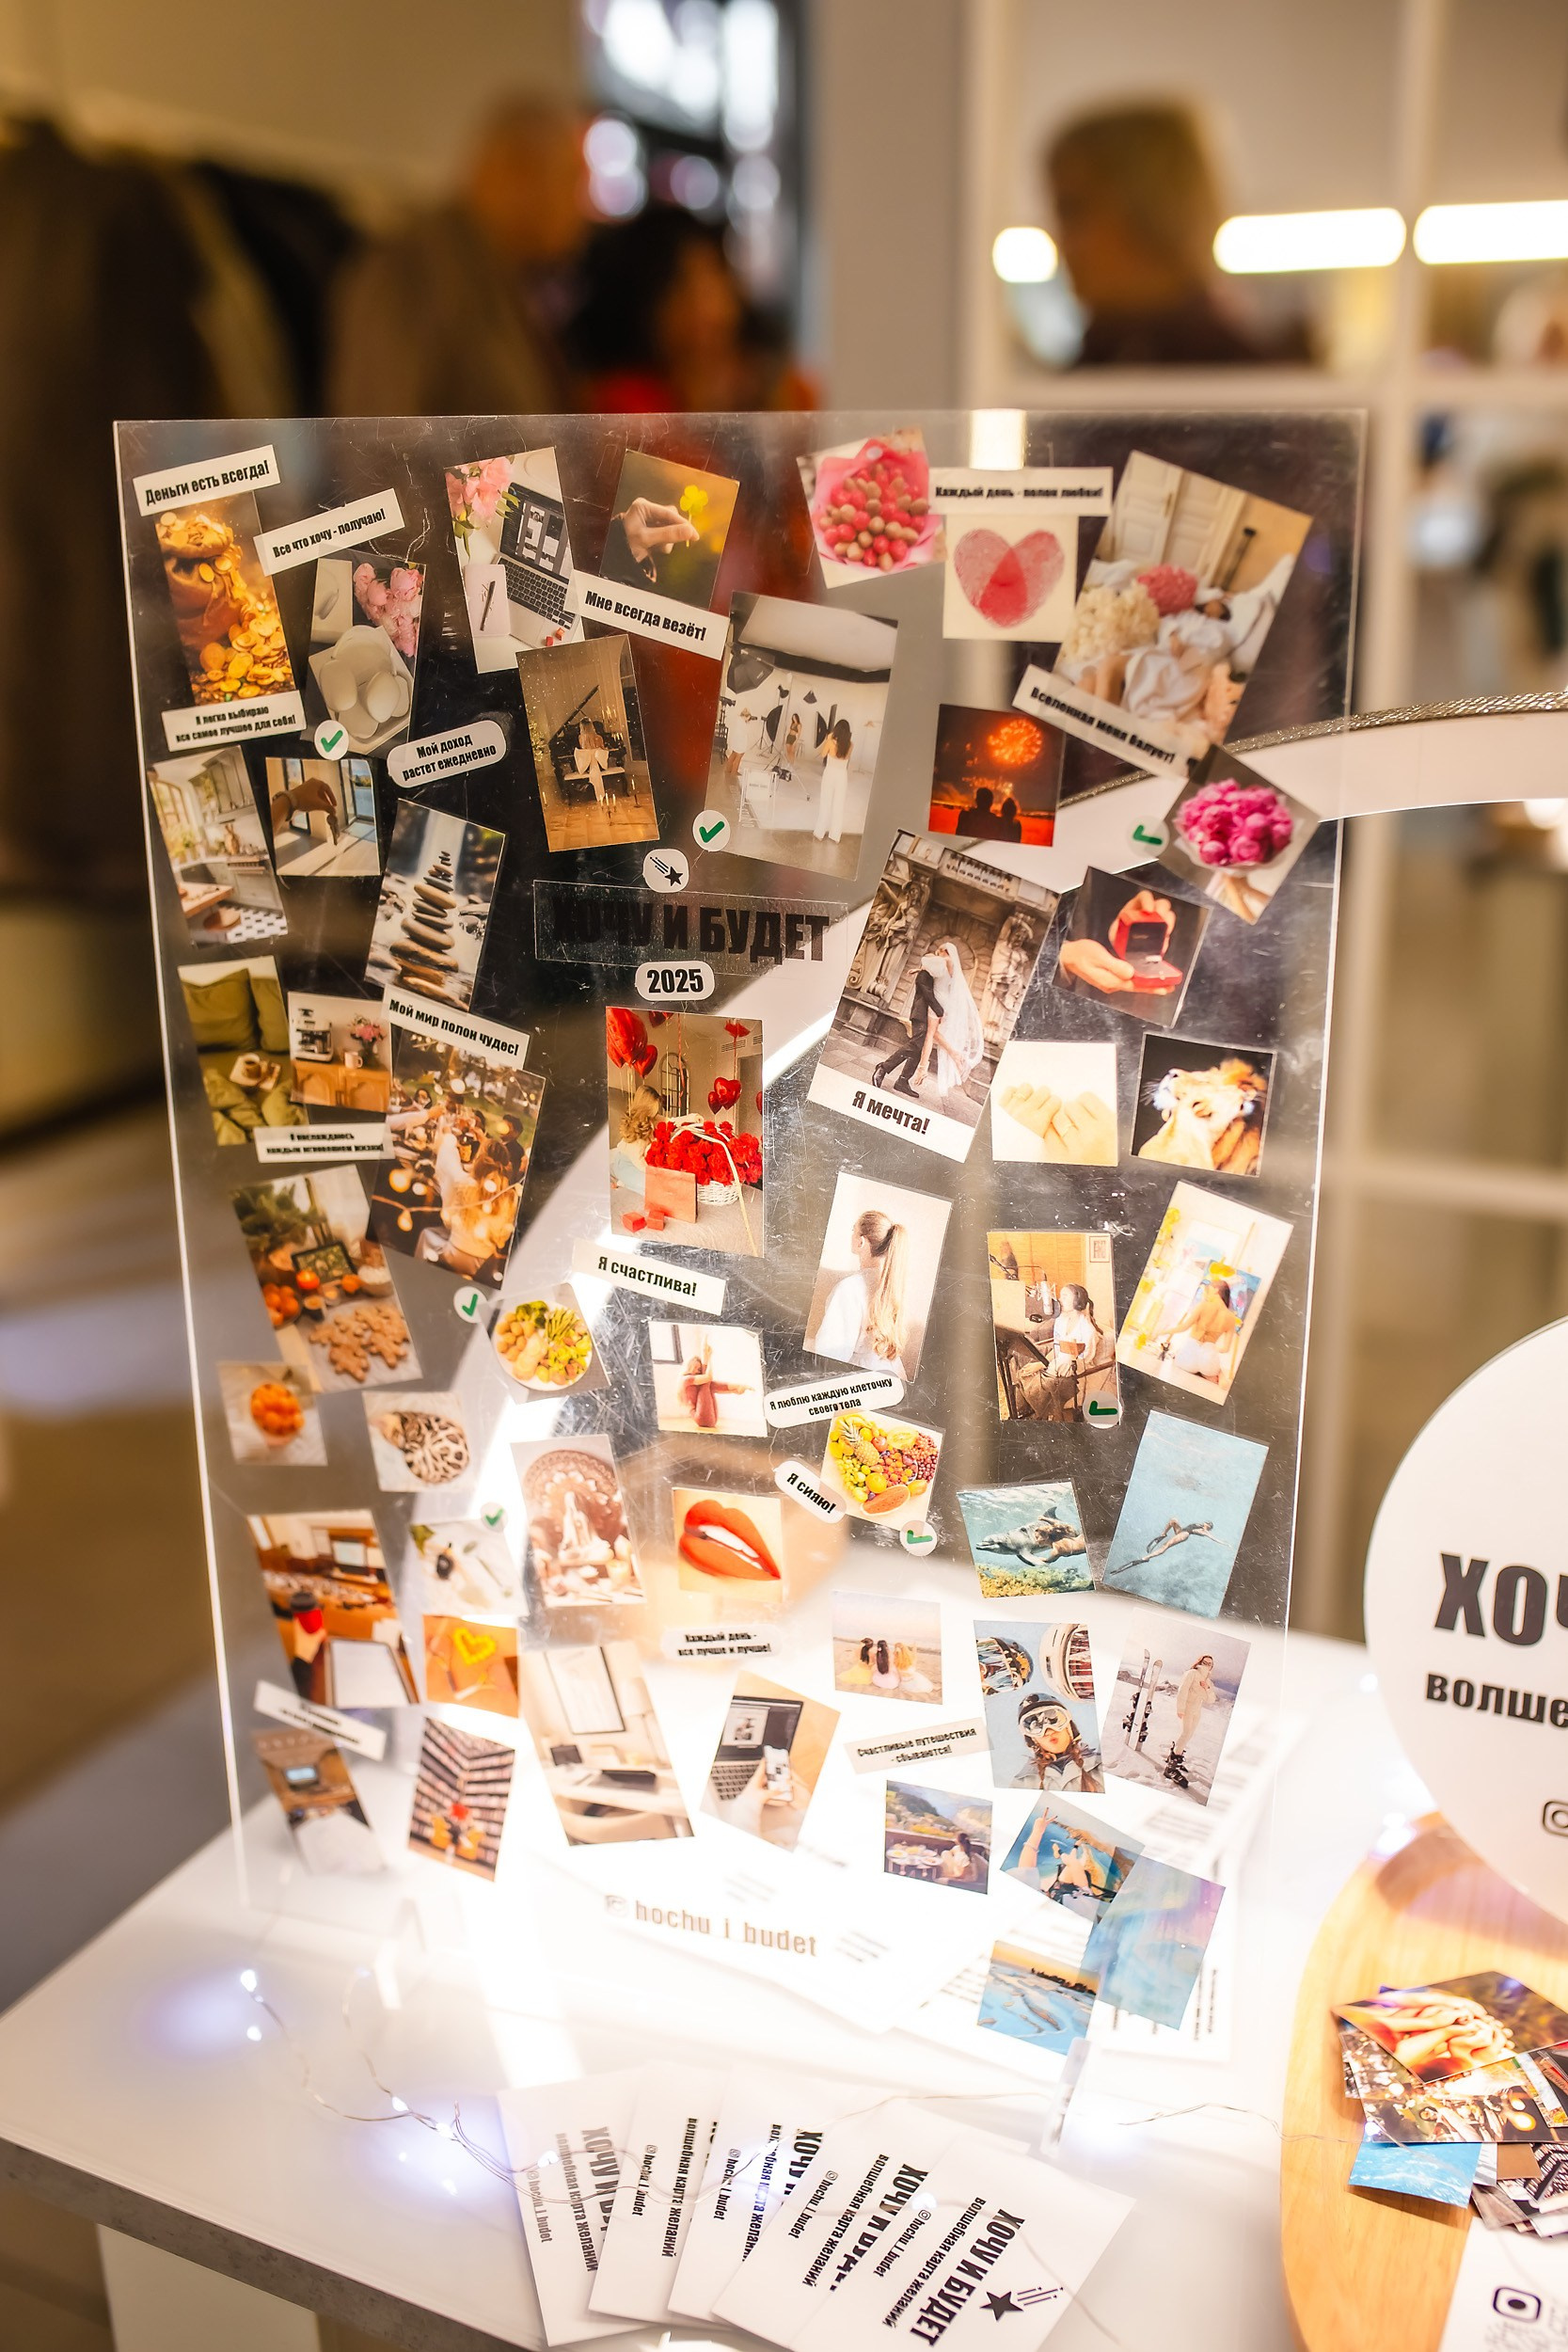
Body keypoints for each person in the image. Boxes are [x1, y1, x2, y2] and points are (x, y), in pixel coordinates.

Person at [328, 98, 587, 416]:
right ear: (519, 170)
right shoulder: (413, 267)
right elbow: (381, 433)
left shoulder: (496, 274)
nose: (582, 209)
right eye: (572, 181)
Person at [1044, 103, 1310, 369]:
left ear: (1149, 210)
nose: (1060, 240)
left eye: (1073, 210)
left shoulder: (1246, 378)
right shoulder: (1093, 366)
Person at [571, 203, 815, 413]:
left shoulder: (773, 380)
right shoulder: (626, 404)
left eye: (715, 276)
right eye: (683, 288)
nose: (711, 309)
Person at [813, 1208, 911, 1376]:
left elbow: (829, 1358)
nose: (851, 1235)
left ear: (861, 1242)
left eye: (854, 1230)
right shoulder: (892, 1288)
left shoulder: (848, 1289)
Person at [912, 940, 985, 1103]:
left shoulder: (944, 960)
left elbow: (926, 960)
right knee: (935, 1033)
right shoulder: (951, 965)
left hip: (938, 1000)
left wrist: (925, 962)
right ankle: (955, 1054)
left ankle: (922, 1069)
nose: (938, 953)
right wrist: (918, 969)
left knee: (930, 1034)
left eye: (940, 950)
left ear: (945, 951)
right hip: (945, 1000)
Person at [1015, 1690, 1100, 1794]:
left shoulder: (1100, 1766)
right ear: (1033, 1740)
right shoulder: (1024, 1783)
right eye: (1036, 1727)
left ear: (1069, 1727)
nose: (1049, 1731)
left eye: (1055, 1721)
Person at [1164, 1275, 1242, 1384]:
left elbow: (1183, 1327)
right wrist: (1212, 1349)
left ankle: (1201, 1370)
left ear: (1216, 1290)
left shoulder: (1203, 1305)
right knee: (1211, 1363)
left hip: (1187, 1359)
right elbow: (1225, 1349)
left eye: (1209, 1288)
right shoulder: (1231, 1318)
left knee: (1180, 1354)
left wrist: (1163, 1332)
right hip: (1209, 1362)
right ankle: (1215, 1375)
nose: (1207, 1291)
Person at [1165, 1651, 1219, 1788]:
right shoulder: (1192, 1673)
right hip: (1187, 1709)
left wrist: (1207, 1688)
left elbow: (1211, 1700)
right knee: (1185, 1734)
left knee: (1188, 1735)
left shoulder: (1208, 1681)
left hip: (1197, 1712)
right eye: (1205, 1662)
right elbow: (1182, 1690)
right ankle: (1171, 1768)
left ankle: (1174, 1756)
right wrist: (1180, 1709)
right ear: (1200, 1662)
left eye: (1210, 1664)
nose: (1207, 1665)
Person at [815, 717, 852, 844]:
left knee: (825, 802)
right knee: (839, 805)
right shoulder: (850, 745)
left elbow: (822, 754)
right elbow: (845, 757)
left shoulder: (830, 742)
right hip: (842, 775)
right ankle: (835, 836)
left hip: (830, 774)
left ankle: (820, 833)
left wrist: (829, 738)